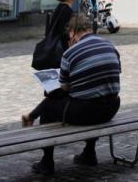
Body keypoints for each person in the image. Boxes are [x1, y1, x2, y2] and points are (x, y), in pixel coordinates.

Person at [23, 14, 120, 174]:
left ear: (73, 32)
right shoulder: (110, 46)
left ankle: (47, 161)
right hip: (111, 108)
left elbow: (65, 87)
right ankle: (89, 153)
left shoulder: (70, 53)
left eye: (69, 36)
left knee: (50, 107)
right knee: (93, 94)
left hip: (86, 112)